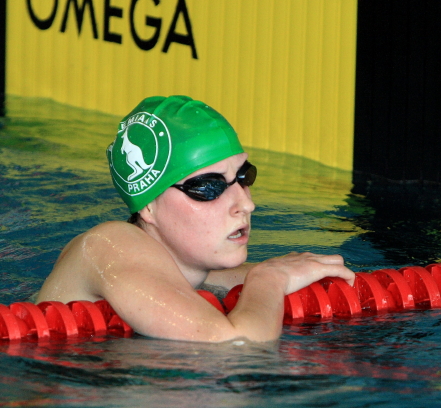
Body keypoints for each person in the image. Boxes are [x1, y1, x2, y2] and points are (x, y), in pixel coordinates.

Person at [36, 95, 355, 343]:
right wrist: (269, 279)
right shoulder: (110, 244)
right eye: (208, 187)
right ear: (148, 207)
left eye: (243, 176)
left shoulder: (192, 270)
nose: (246, 204)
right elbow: (237, 345)